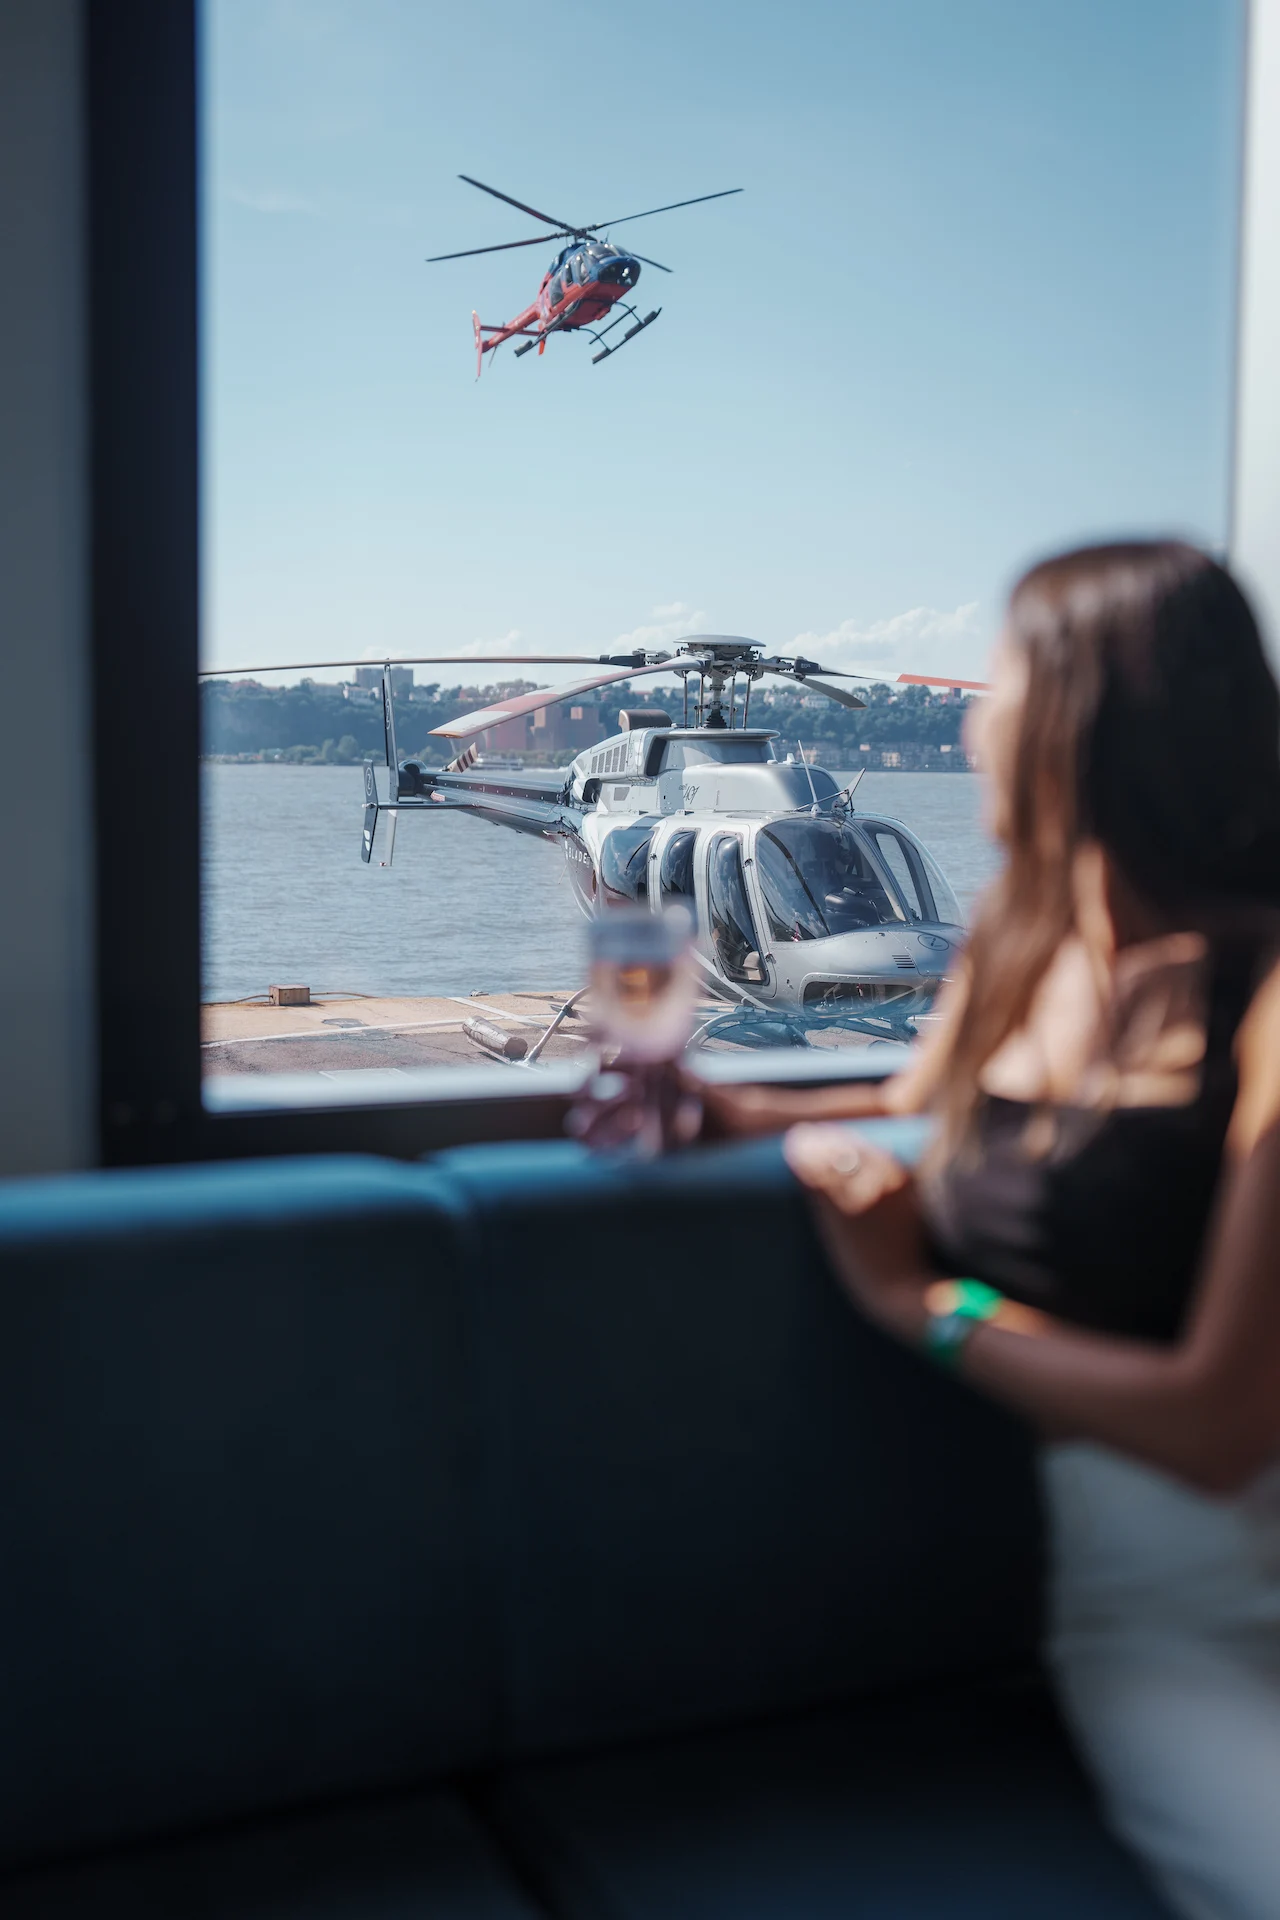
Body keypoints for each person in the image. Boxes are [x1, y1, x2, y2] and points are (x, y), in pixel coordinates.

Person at [709, 542, 1280, 1920]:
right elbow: (917, 1108)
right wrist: (707, 1110)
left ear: (1084, 720)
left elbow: (1218, 1425)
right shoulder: (1015, 957)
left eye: (1002, 680)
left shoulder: (1265, 997)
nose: (970, 722)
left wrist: (919, 1304)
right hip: (1182, 1623)